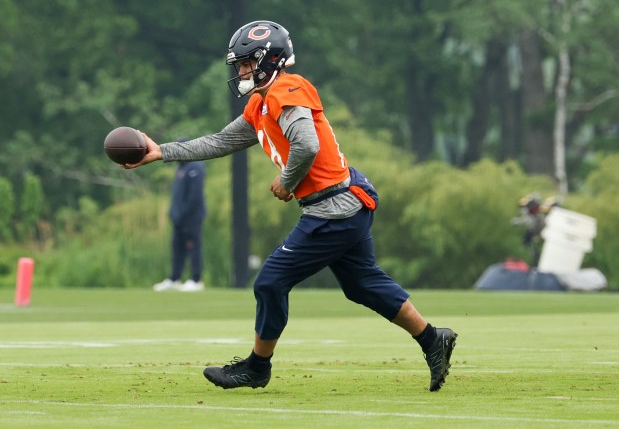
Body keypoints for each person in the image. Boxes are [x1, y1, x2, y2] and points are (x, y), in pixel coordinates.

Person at [125, 21, 457, 391]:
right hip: (345, 202)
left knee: (270, 281)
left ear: (271, 60)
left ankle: (257, 367)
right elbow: (220, 141)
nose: (241, 72)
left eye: (248, 63)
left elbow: (307, 145)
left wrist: (287, 181)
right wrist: (161, 152)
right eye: (239, 65)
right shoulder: (262, 102)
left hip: (333, 208)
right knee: (362, 284)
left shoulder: (287, 89)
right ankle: (433, 339)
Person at [153, 147, 207, 292]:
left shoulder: (195, 167)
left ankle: (196, 279)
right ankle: (174, 278)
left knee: (193, 247)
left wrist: (184, 213)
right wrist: (174, 214)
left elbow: (194, 196)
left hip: (192, 218)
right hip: (178, 218)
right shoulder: (180, 168)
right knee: (177, 248)